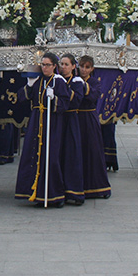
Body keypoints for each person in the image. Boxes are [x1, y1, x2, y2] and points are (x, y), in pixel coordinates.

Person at [15, 52, 71, 207]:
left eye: (47, 65)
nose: (44, 68)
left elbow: (66, 103)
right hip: (36, 121)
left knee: (50, 157)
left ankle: (54, 195)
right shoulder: (37, 80)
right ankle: (35, 193)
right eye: (43, 64)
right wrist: (29, 85)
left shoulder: (58, 82)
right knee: (32, 155)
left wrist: (55, 100)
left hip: (51, 122)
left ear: (54, 66)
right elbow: (21, 98)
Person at [77, 56, 111, 199]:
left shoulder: (94, 82)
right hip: (75, 119)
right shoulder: (73, 79)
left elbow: (92, 96)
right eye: (82, 66)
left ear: (92, 69)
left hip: (89, 118)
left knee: (93, 151)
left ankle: (98, 187)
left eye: (87, 67)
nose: (84, 70)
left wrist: (82, 87)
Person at [59, 53, 86, 205]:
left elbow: (76, 100)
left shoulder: (76, 81)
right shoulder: (57, 79)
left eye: (66, 64)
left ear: (73, 66)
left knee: (72, 154)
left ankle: (75, 192)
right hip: (59, 120)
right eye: (61, 64)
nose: (63, 67)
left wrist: (63, 89)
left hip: (71, 120)